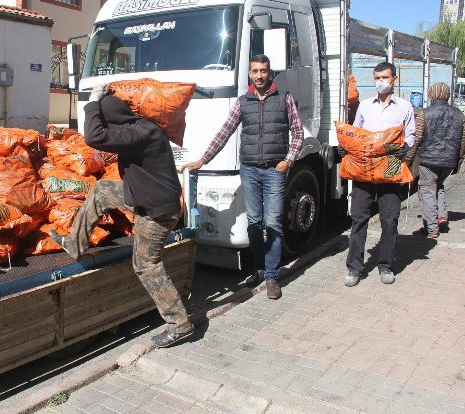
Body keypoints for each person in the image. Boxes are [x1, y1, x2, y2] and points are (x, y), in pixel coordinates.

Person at [49, 84, 194, 348]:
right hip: (144, 196)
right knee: (103, 190)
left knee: (146, 264)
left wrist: (93, 104)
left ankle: (179, 323)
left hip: (156, 211)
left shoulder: (142, 132)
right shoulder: (139, 128)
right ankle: (75, 243)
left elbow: (94, 136)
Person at [181, 54, 304, 300]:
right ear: (250, 74)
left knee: (274, 224)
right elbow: (224, 133)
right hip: (249, 170)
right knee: (255, 223)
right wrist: (203, 160)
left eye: (264, 71)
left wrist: (288, 160)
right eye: (255, 71)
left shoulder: (284, 98)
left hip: (274, 171)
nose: (260, 75)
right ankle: (260, 268)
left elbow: (298, 132)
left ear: (270, 73)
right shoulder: (243, 101)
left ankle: (271, 276)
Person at [340, 62, 415, 287]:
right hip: (364, 169)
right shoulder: (365, 105)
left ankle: (385, 265)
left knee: (389, 219)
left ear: (394, 79)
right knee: (358, 218)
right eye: (377, 78)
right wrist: (346, 145)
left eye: (384, 77)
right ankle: (354, 268)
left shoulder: (404, 107)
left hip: (390, 166)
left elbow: (410, 135)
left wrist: (405, 148)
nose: (380, 82)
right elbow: (356, 132)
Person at [405, 82, 465, 238]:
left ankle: (432, 227)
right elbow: (463, 140)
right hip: (449, 160)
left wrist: (409, 160)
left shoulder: (425, 114)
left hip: (428, 160)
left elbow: (416, 139)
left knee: (427, 190)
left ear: (432, 94)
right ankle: (442, 215)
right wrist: (459, 160)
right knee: (438, 185)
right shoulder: (459, 114)